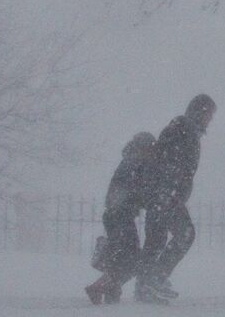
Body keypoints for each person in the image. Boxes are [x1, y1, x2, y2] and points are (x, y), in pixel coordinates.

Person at [136, 94, 216, 304]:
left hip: (162, 193)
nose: (210, 120)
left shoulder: (182, 129)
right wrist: (170, 190)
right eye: (209, 114)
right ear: (200, 111)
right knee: (185, 234)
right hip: (166, 194)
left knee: (156, 238)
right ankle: (155, 279)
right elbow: (171, 163)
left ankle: (146, 285)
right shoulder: (185, 130)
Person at [85, 132, 157, 305]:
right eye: (151, 148)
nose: (152, 152)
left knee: (121, 256)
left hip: (115, 214)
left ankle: (112, 289)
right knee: (132, 258)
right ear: (144, 147)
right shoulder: (135, 162)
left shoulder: (129, 160)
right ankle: (99, 286)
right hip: (121, 215)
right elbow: (138, 190)